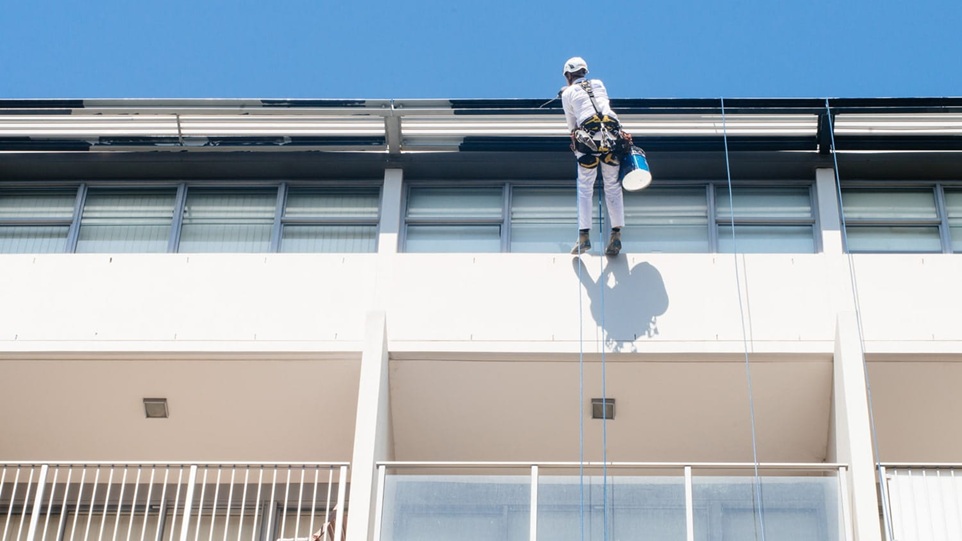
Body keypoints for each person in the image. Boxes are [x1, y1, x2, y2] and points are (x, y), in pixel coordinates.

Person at [561, 56, 631, 256]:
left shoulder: (567, 94)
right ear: (584, 71)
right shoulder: (599, 83)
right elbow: (595, 100)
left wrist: (566, 94)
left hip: (588, 140)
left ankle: (584, 236)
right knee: (612, 186)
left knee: (585, 186)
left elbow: (571, 125)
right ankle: (616, 234)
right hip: (612, 137)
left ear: (568, 75)